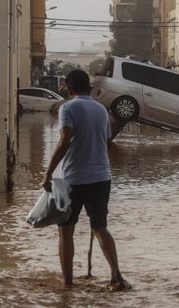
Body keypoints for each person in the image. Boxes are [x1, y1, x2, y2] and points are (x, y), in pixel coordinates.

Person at [42, 69, 130, 292]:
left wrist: (48, 172)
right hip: (102, 177)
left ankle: (68, 285)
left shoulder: (68, 108)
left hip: (75, 179)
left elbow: (64, 140)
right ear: (88, 87)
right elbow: (107, 141)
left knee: (65, 230)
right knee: (100, 227)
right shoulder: (101, 110)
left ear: (69, 88)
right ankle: (116, 276)